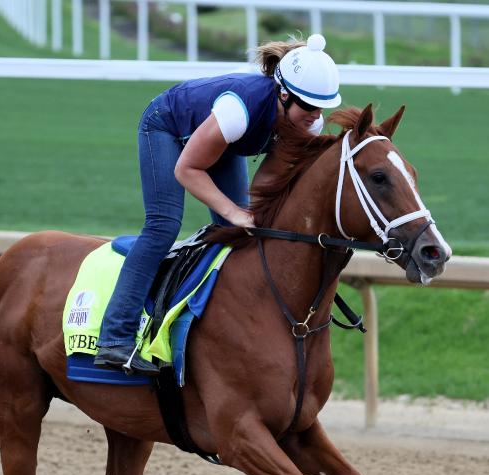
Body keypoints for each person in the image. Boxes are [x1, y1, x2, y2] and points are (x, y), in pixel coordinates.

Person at [94, 34, 343, 375]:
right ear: (283, 94)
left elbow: (270, 186)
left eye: (321, 108)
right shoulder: (238, 110)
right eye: (309, 106)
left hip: (225, 145)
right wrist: (233, 212)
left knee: (243, 235)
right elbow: (187, 169)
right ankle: (114, 338)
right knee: (163, 226)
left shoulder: (307, 121)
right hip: (166, 127)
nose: (315, 116)